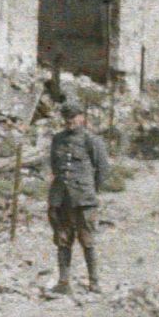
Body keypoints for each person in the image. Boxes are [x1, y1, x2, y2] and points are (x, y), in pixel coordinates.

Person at [46, 101, 108, 294]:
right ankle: (63, 282)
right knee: (63, 240)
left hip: (83, 199)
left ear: (82, 117)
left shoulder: (92, 141)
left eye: (73, 117)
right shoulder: (58, 140)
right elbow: (55, 167)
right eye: (66, 118)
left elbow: (103, 170)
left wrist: (89, 190)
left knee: (87, 240)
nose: (69, 122)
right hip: (61, 198)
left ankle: (94, 282)